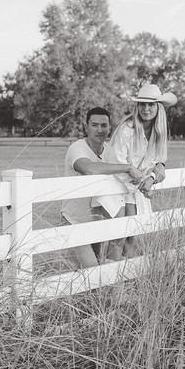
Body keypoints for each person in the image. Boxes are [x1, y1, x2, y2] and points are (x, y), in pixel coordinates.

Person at [96, 84, 177, 260]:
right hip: (115, 185)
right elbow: (116, 163)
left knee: (132, 236)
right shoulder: (127, 129)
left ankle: (127, 281)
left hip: (134, 188)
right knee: (117, 237)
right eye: (142, 104)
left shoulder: (158, 132)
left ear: (159, 108)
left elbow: (158, 160)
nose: (145, 109)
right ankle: (113, 282)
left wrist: (154, 175)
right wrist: (143, 182)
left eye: (151, 105)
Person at [61, 107, 144, 267]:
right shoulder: (77, 148)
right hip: (75, 223)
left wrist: (160, 164)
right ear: (86, 127)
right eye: (94, 125)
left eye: (104, 125)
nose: (100, 130)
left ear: (110, 128)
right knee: (93, 271)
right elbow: (88, 169)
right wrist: (127, 168)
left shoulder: (112, 152)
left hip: (101, 227)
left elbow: (143, 160)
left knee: (109, 271)